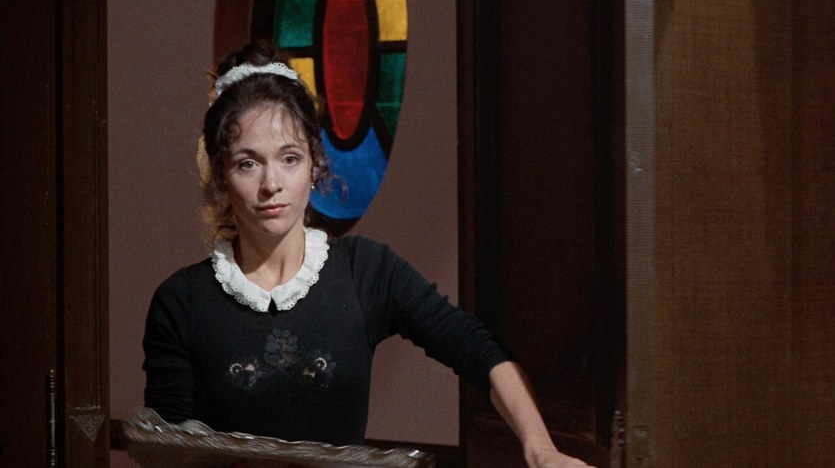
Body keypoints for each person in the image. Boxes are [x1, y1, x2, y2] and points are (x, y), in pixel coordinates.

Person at [142, 40, 593, 468]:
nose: (271, 184)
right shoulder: (182, 302)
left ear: (315, 164)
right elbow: (169, 454)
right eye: (248, 163)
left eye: (290, 158)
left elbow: (477, 350)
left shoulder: (365, 271)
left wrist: (541, 450)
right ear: (221, 177)